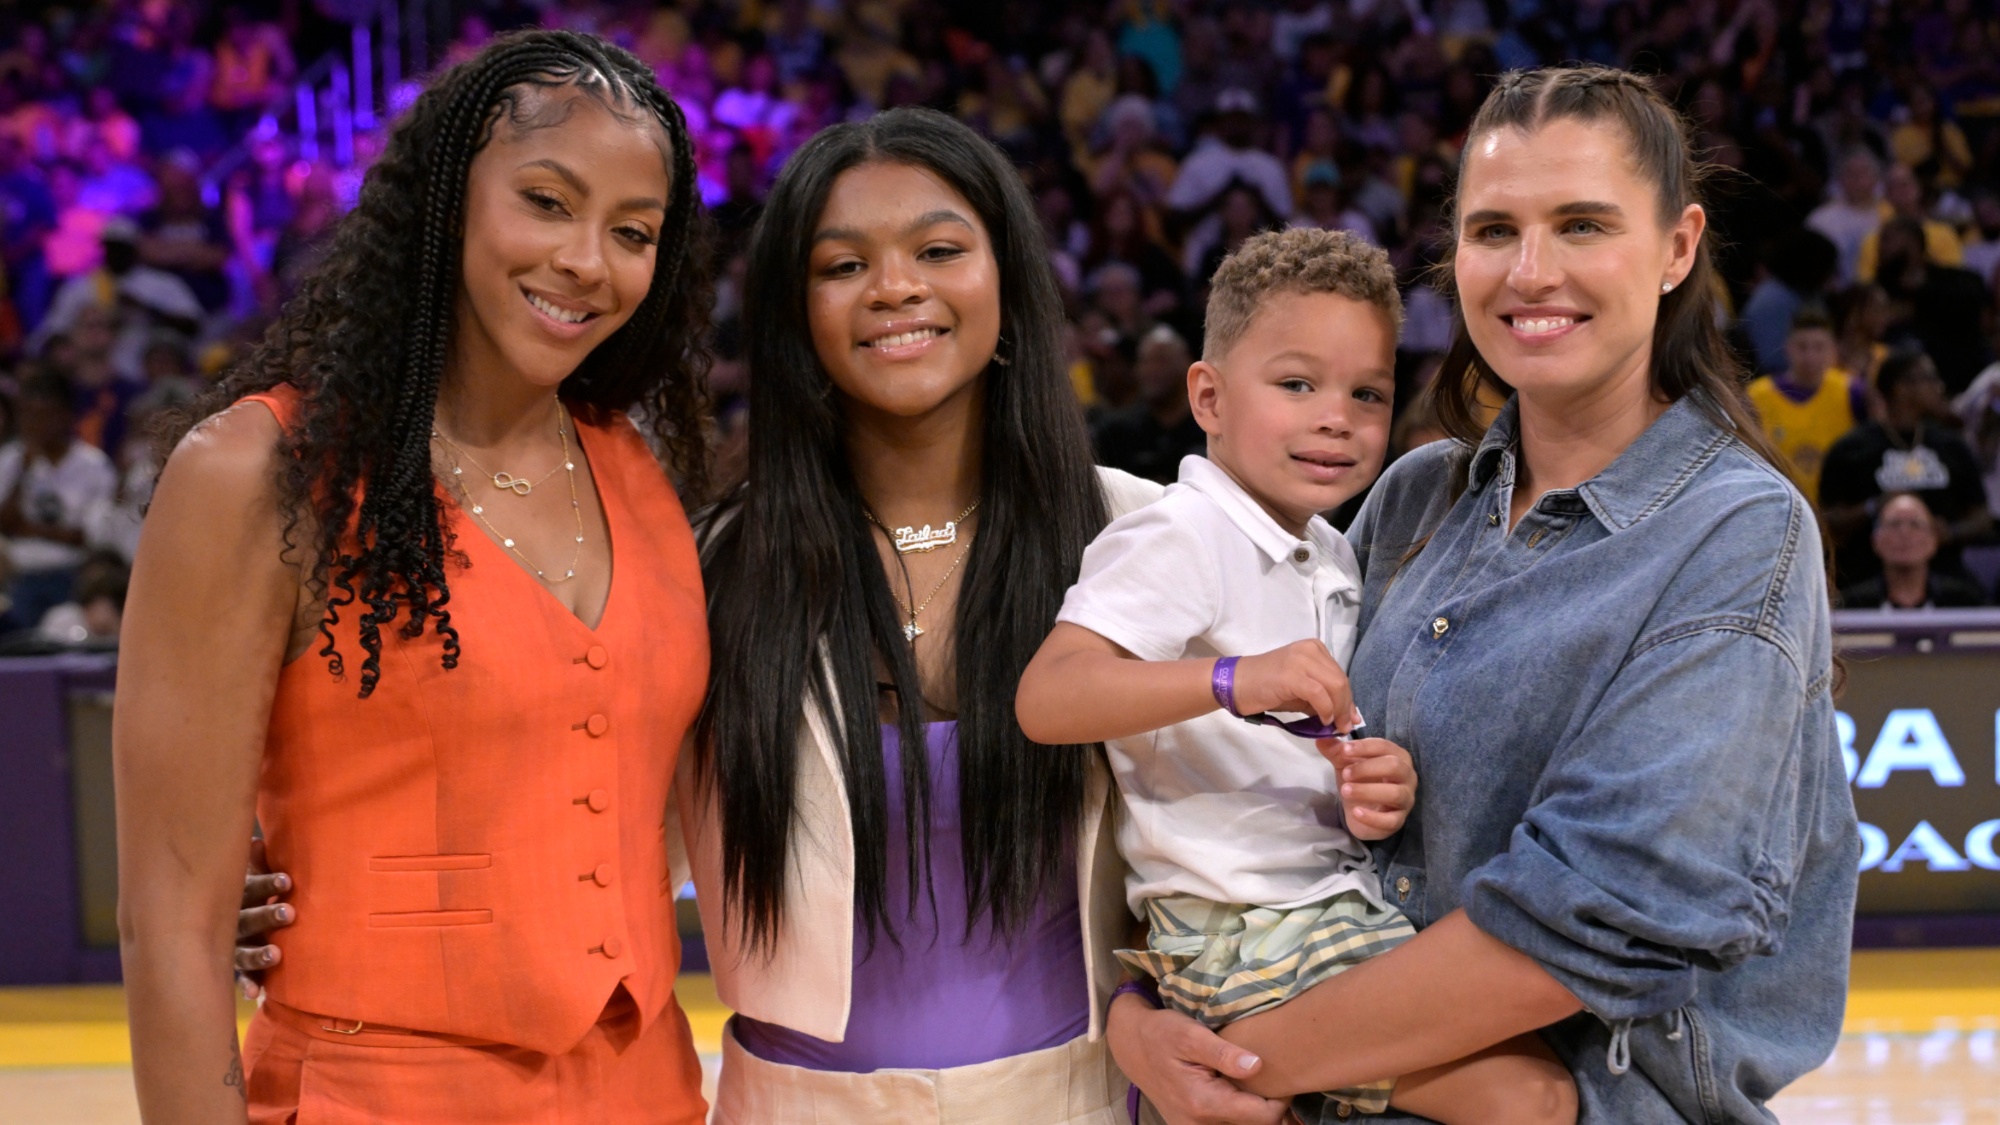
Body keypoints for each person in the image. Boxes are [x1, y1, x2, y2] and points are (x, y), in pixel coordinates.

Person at [1108, 65, 1856, 1125]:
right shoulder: (1413, 496)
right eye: (1492, 230)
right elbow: (1251, 793)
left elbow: (1599, 913)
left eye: (1582, 225)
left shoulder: (1736, 533)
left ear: (1677, 247)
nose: (1529, 271)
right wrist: (1136, 1017)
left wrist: (1241, 1055)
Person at [115, 30, 713, 1125]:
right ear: (443, 203)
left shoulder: (642, 472)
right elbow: (172, 927)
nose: (588, 258)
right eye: (545, 201)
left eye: (632, 232)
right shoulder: (257, 473)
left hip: (650, 1095)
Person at [1018, 227, 1575, 1125]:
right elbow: (1049, 697)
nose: (1336, 417)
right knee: (1526, 1097)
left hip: (1324, 905)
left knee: (1543, 1072)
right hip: (1238, 930)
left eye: (1367, 394)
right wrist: (1232, 678)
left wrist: (1367, 781)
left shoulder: (1330, 554)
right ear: (1207, 395)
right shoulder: (1179, 533)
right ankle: (1220, 1066)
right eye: (1296, 384)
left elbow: (1299, 746)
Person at [1820, 350, 1992, 586]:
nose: (1939, 386)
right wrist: (1871, 507)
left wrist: (1950, 532)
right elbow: (1827, 520)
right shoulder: (1852, 449)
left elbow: (1982, 516)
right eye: (1930, 378)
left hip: (1944, 579)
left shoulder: (1951, 446)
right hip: (1866, 582)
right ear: (1901, 388)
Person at [0, 369, 118, 631]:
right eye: (28, 415)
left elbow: (88, 536)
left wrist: (29, 529)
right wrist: (23, 470)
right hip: (20, 576)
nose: (35, 424)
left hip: (72, 575)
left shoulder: (93, 465)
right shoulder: (10, 460)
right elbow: (5, 525)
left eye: (45, 415)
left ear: (66, 415)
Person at [1745, 308, 1867, 502]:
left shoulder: (1853, 392)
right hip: (1778, 503)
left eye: (1819, 347)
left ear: (1833, 349)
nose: (1810, 357)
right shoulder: (1756, 396)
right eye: (1802, 347)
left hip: (1836, 506)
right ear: (1787, 347)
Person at [1092, 323, 1205, 484]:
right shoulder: (1115, 432)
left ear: (1188, 364)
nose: (1151, 370)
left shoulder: (1208, 431)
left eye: (1161, 360)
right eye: (1145, 361)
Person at [1838, 494, 1989, 608]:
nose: (1905, 533)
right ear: (1875, 541)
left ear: (1934, 540)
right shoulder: (1852, 605)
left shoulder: (1965, 602)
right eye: (1894, 524)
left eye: (1915, 524)